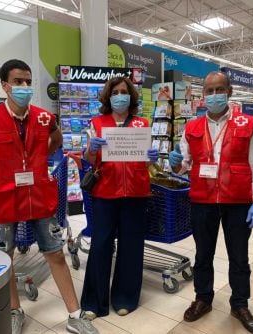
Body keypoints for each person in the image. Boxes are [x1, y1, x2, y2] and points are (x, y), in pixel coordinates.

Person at [0, 59, 98, 334]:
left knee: (55, 254)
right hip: (3, 199)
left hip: (39, 197)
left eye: (28, 82)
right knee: (6, 258)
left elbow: (56, 141)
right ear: (5, 85)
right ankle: (14, 310)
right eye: (18, 81)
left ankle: (75, 314)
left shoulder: (46, 118)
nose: (24, 87)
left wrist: (41, 153)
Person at [168, 71, 253, 333]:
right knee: (203, 254)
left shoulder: (247, 124)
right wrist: (176, 164)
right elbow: (185, 165)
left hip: (237, 200)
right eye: (209, 91)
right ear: (203, 96)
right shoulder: (191, 127)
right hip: (202, 199)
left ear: (229, 92)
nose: (214, 95)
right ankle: (203, 299)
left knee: (239, 256)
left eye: (219, 90)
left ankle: (240, 304)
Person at [80, 76, 159, 320]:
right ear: (108, 96)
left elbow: (146, 162)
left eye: (124, 91)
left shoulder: (141, 124)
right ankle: (94, 302)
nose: (120, 96)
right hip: (105, 192)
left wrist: (152, 157)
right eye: (115, 92)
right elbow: (90, 159)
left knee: (131, 246)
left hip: (136, 192)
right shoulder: (97, 123)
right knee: (100, 244)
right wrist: (93, 149)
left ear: (131, 96)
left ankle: (125, 297)